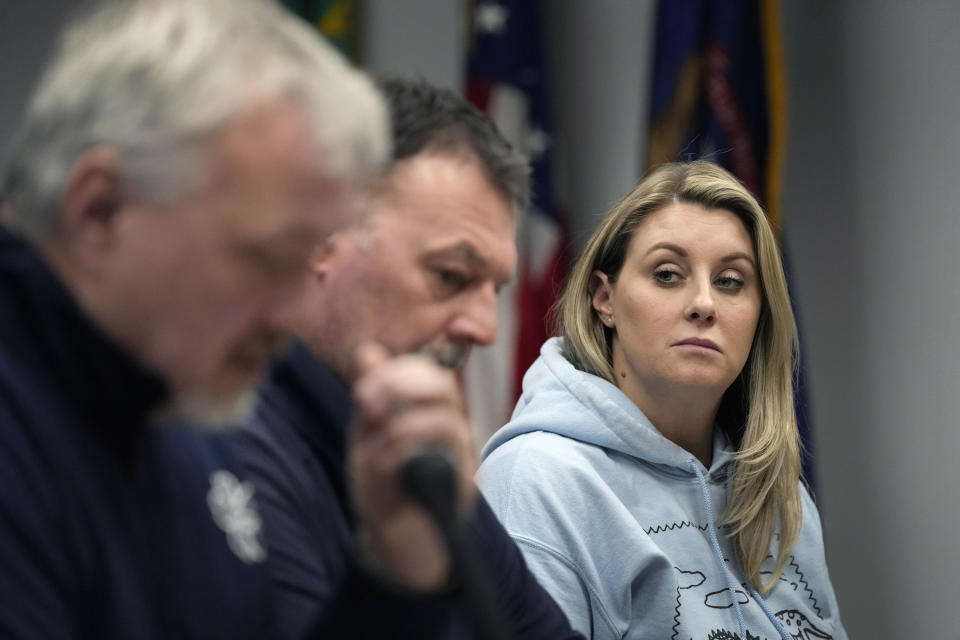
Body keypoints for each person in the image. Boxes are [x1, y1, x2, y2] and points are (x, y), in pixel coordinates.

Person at [0, 0, 465, 637]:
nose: (295, 313)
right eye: (266, 259)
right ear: (99, 210)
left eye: (309, 260)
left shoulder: (183, 398)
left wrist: (392, 584)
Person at [234, 77, 581, 639]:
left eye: (493, 289)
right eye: (451, 275)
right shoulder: (228, 440)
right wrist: (397, 576)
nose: (486, 329)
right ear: (321, 239)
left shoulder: (415, 444)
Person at [476, 161, 847, 640]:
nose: (704, 304)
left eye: (731, 281)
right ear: (603, 298)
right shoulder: (534, 482)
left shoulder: (778, 491)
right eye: (668, 274)